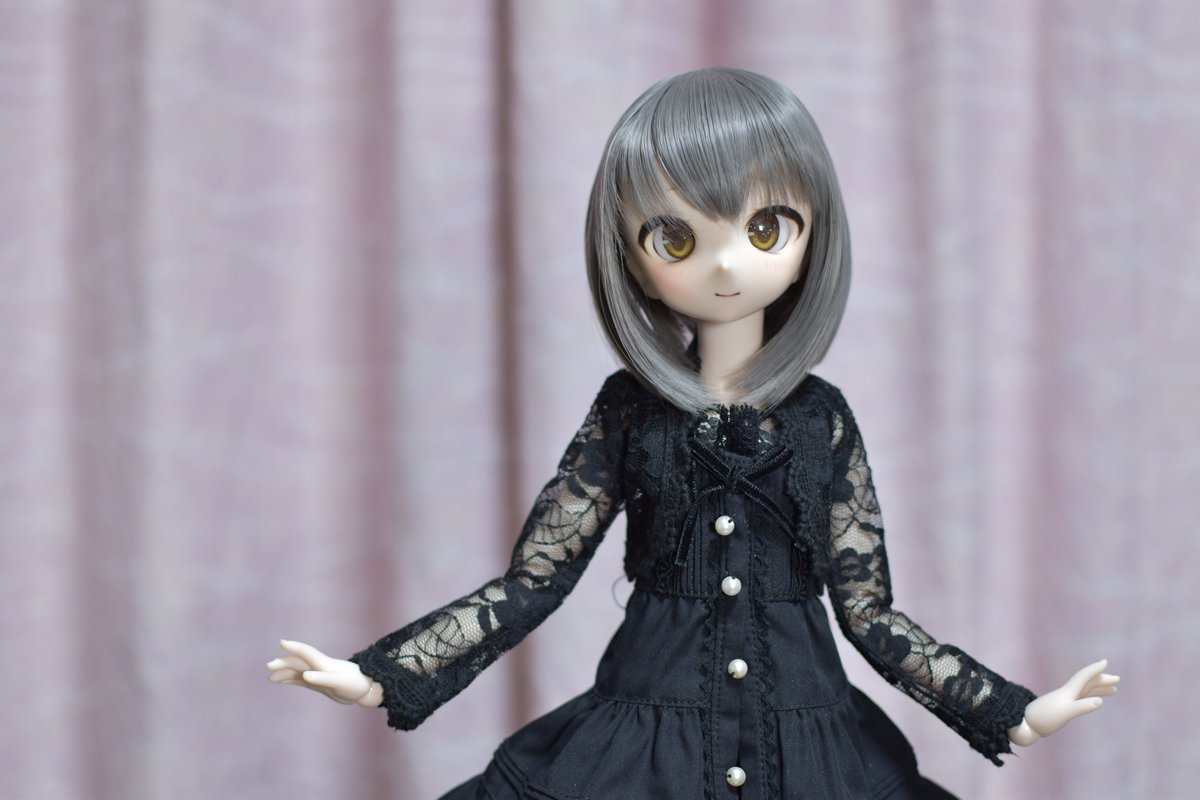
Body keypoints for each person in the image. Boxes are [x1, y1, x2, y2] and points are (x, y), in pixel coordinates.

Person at [268, 67, 1118, 799]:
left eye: (764, 228)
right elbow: (534, 581)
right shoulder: (629, 411)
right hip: (644, 744)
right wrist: (381, 675)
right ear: (631, 260)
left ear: (812, 234)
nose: (725, 263)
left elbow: (870, 612)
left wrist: (1009, 710)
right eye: (675, 237)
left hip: (810, 745)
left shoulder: (820, 419)